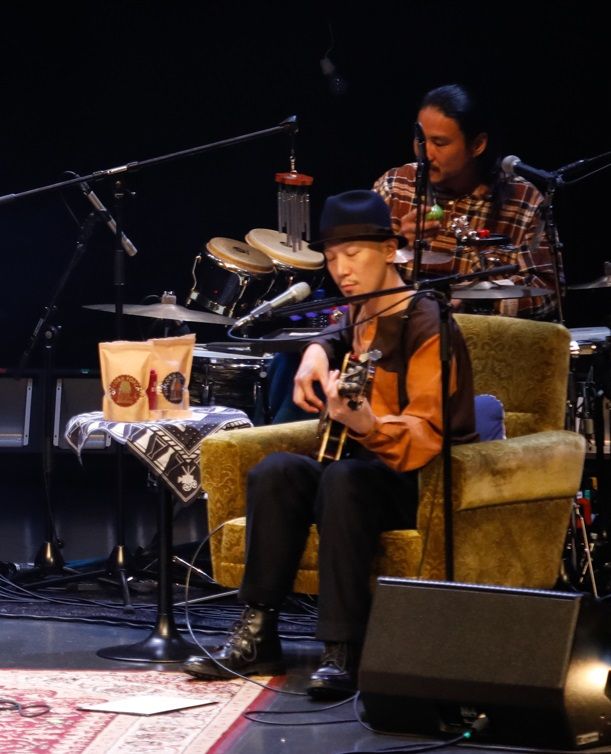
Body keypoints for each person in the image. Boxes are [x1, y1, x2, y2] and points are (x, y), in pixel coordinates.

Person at [181, 189, 477, 698]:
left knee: (345, 479)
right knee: (276, 472)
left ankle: (343, 646)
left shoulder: (427, 322)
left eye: (354, 254)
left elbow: (425, 436)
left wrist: (366, 426)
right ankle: (258, 633)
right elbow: (337, 333)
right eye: (334, 257)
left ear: (390, 251)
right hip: (360, 467)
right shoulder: (358, 313)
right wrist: (316, 350)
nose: (342, 270)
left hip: (420, 479)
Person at [373, 83, 562, 320]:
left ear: (477, 145)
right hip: (404, 334)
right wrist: (399, 244)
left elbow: (548, 291)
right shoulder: (395, 186)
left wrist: (476, 302)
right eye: (420, 140)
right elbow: (357, 276)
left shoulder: (523, 200)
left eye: (439, 143)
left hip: (484, 338)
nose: (426, 154)